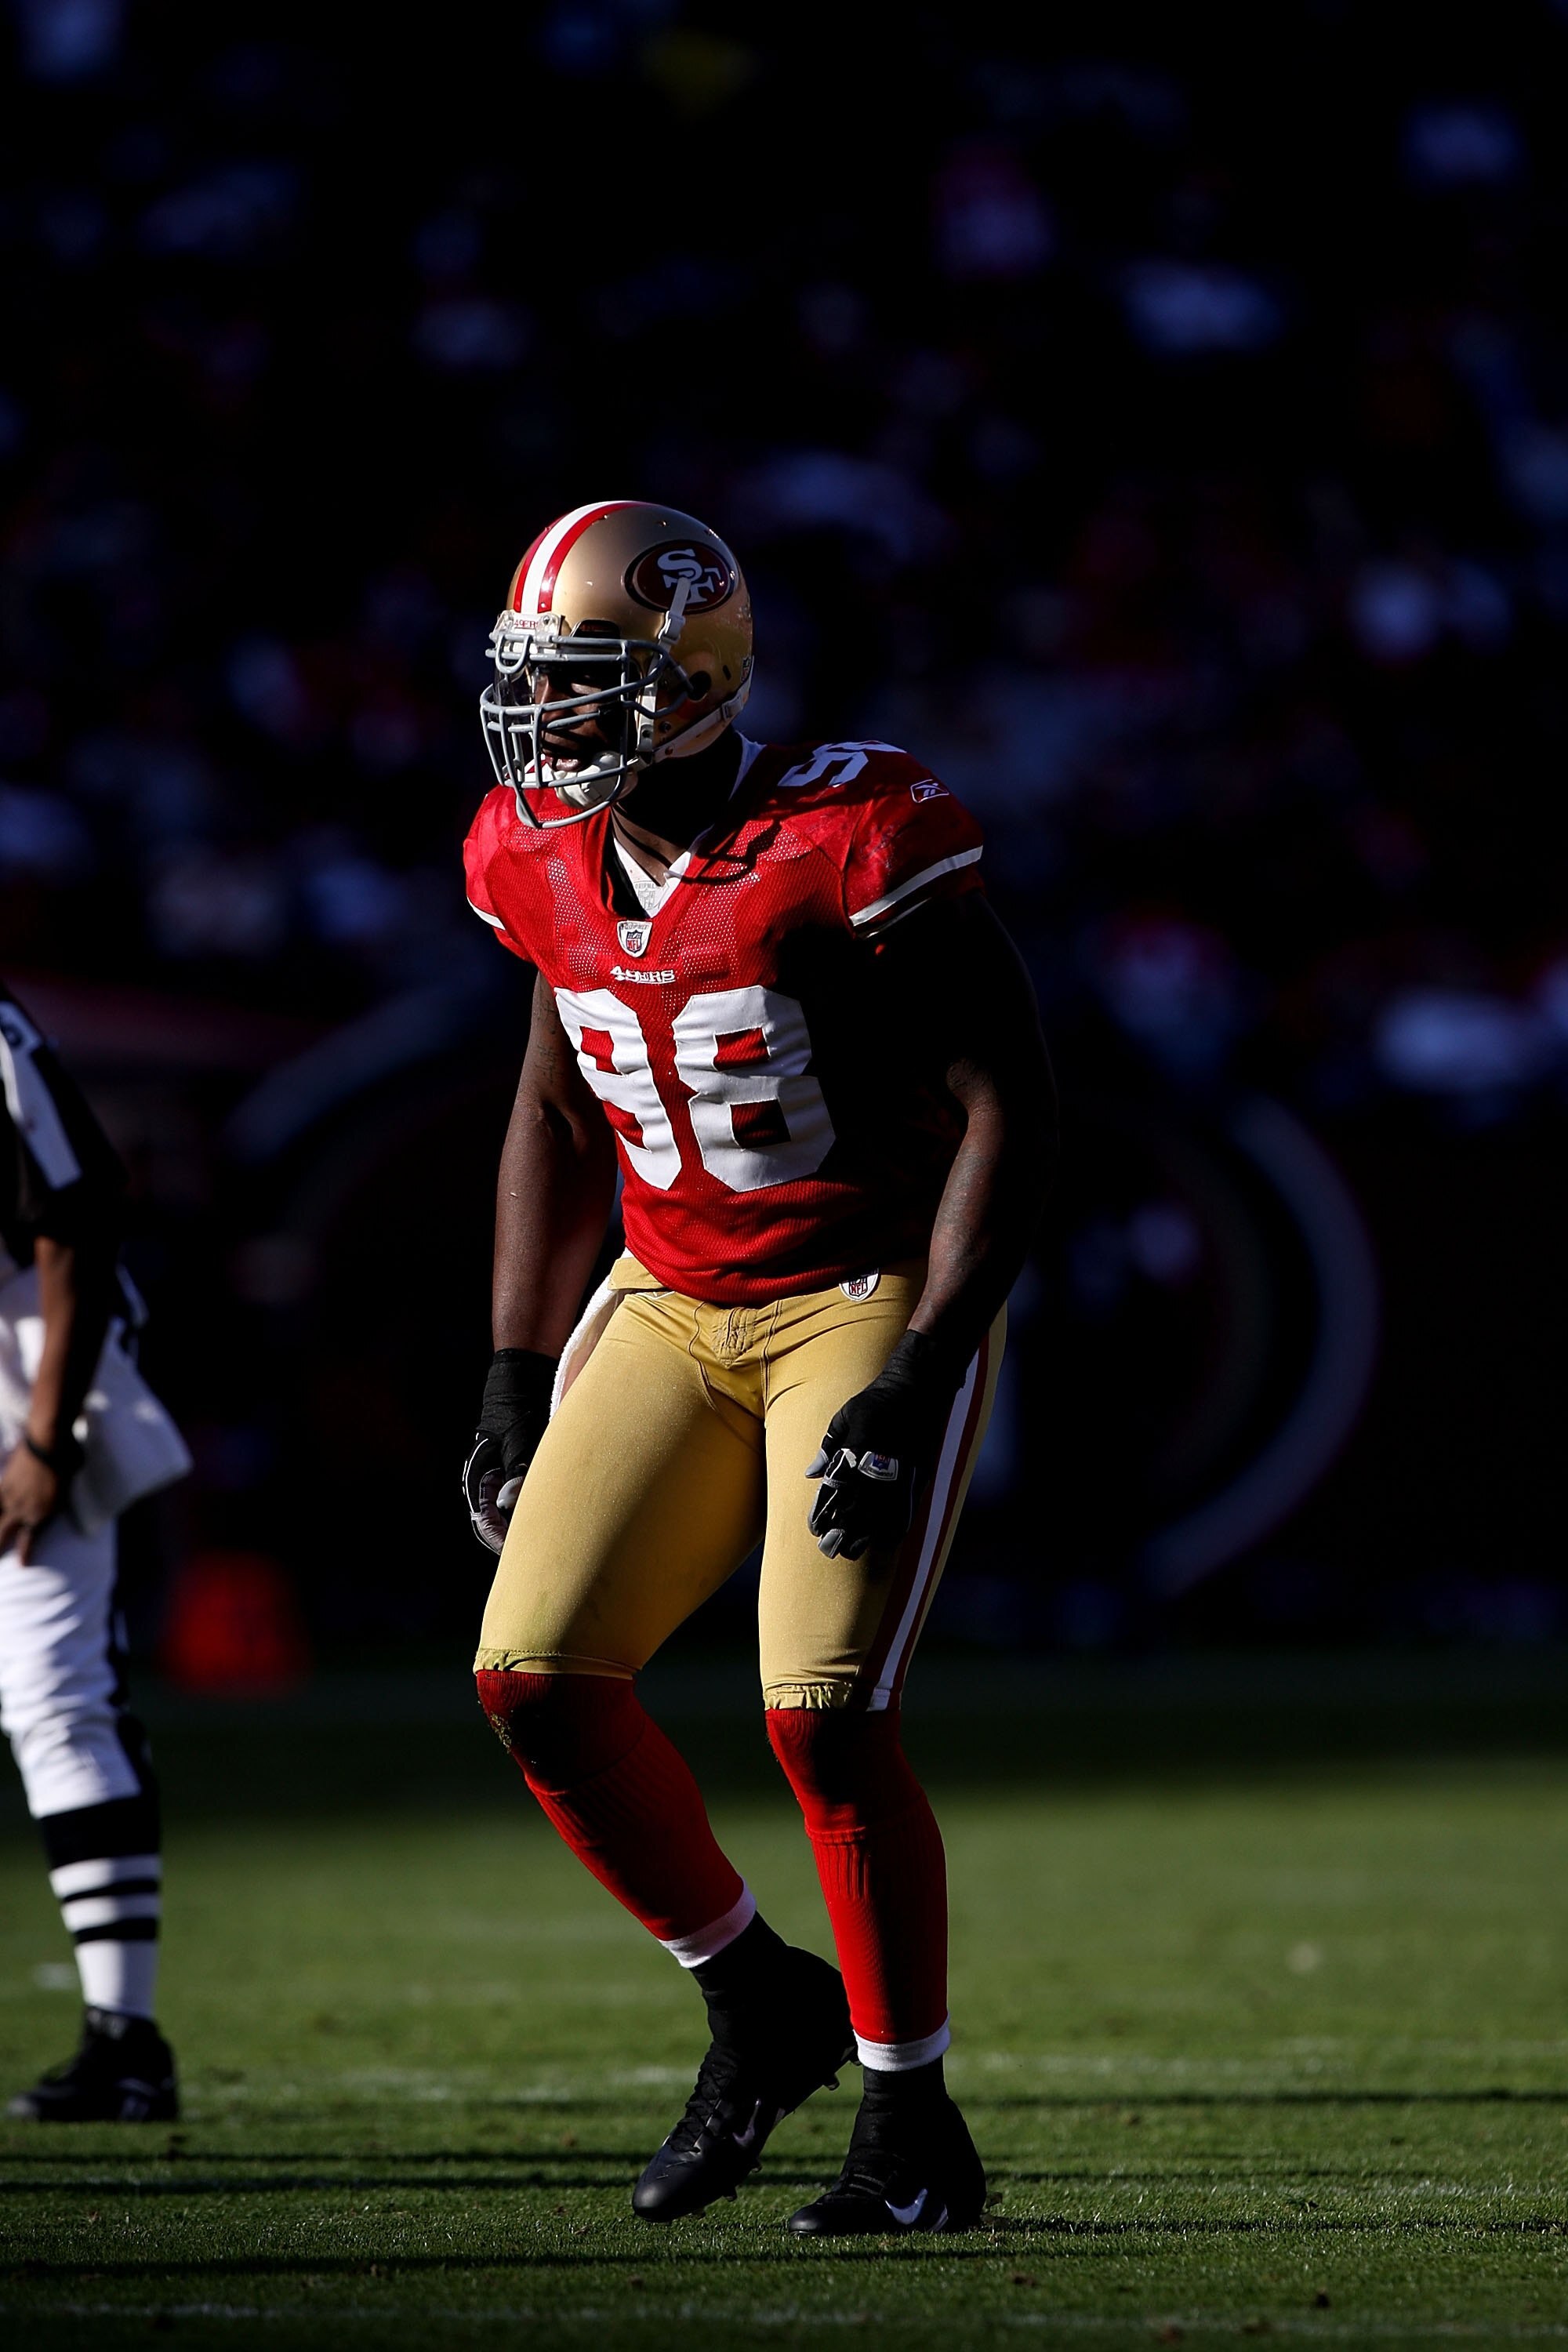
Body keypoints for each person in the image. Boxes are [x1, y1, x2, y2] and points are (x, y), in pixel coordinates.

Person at [460, 499, 1054, 2234]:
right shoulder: (526, 849)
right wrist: (510, 1364)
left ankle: (909, 2125)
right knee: (535, 1680)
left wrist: (919, 1369)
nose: (542, 718)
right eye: (533, 681)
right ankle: (752, 1997)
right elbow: (555, 1105)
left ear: (690, 682)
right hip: (666, 1294)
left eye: (579, 683)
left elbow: (1009, 1103)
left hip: (854, 1288)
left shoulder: (854, 830)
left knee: (824, 1718)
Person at [0, 985, 189, 2122]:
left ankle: (126, 2038)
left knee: (56, 1700)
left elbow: (73, 1214)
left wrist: (47, 1437)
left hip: (22, 1357)